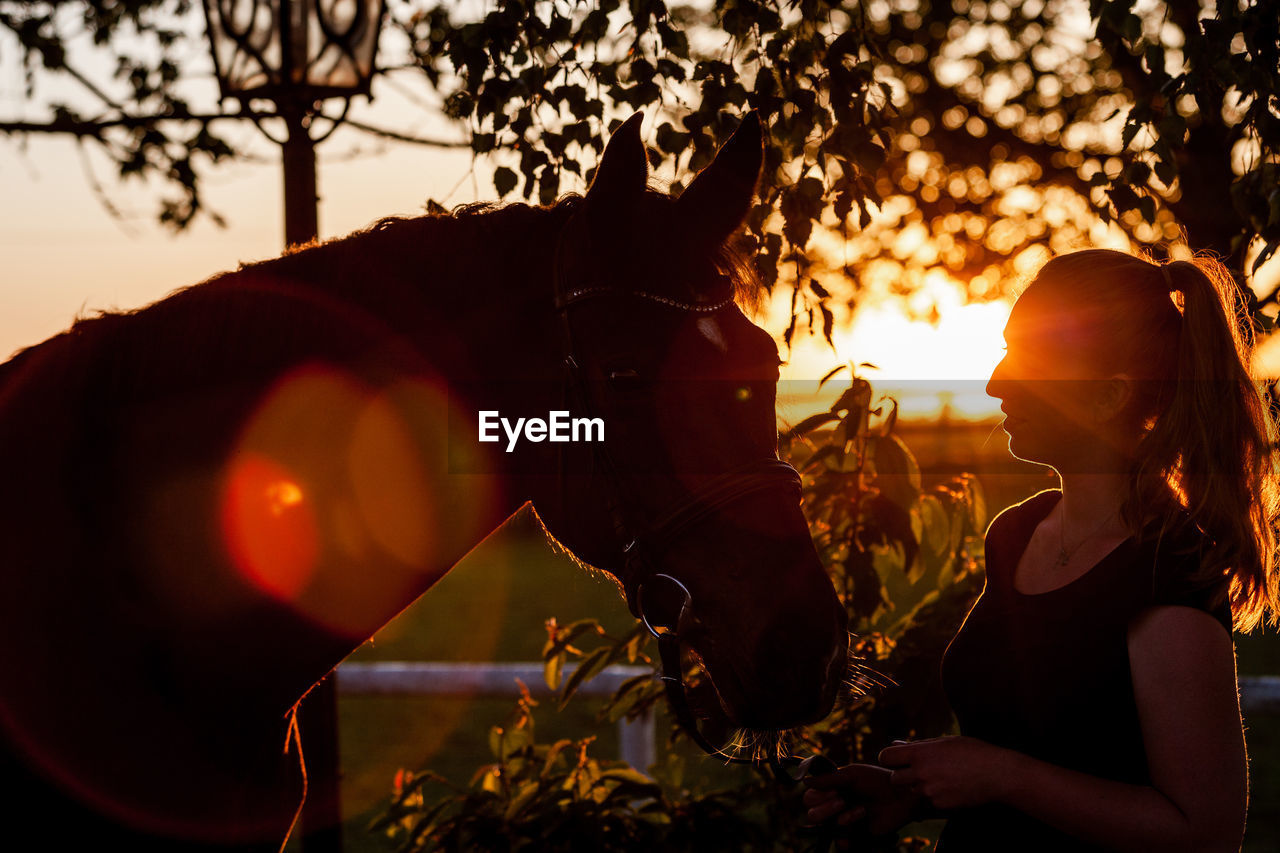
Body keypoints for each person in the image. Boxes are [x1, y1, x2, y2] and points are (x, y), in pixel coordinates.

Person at [803, 249, 1279, 851]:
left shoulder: (1169, 570)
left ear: (1108, 396)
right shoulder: (1018, 534)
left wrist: (1002, 777)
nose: (996, 381)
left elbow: (1203, 832)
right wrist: (915, 792)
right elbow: (1029, 749)